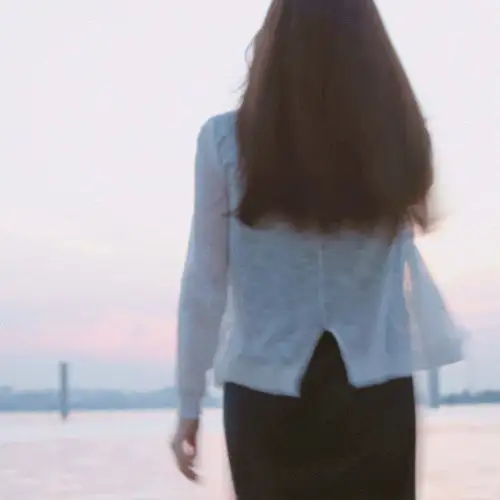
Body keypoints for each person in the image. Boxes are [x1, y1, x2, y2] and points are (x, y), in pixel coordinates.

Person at [171, 0, 463, 498]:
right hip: (376, 391)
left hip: (267, 391)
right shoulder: (400, 141)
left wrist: (188, 404)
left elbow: (205, 281)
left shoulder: (224, 140)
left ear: (274, 43)